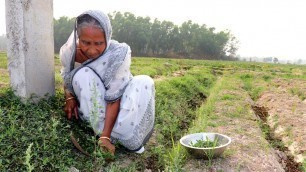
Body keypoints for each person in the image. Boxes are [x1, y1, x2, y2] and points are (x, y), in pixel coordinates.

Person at [60, 10, 155, 155]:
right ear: (78, 37)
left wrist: (105, 136)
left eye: (99, 43)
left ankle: (118, 134)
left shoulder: (118, 53)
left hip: (120, 105)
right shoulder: (69, 52)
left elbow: (114, 97)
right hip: (96, 109)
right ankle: (104, 131)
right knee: (82, 74)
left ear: (108, 37)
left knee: (144, 81)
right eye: (85, 42)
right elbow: (67, 77)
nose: (92, 50)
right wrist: (69, 97)